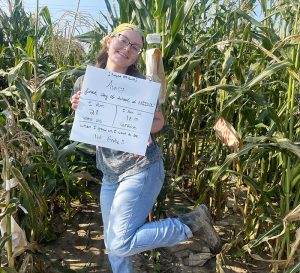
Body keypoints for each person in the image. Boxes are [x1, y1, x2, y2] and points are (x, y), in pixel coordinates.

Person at [71, 23, 221, 273]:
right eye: (123, 40)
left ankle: (191, 223)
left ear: (138, 54)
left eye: (135, 46)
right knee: (113, 243)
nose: (127, 48)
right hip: (110, 173)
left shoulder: (140, 85)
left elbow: (159, 121)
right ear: (109, 41)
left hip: (142, 166)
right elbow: (90, 123)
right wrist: (78, 106)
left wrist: (137, 126)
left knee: (120, 241)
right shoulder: (85, 81)